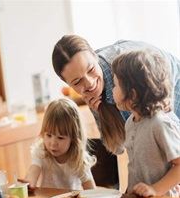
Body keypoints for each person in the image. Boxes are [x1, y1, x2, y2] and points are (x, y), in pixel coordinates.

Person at [52, 35, 180, 153]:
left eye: (91, 69)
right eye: (77, 81)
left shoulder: (126, 73)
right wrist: (98, 112)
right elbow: (118, 148)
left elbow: (158, 140)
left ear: (94, 56)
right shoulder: (94, 94)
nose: (89, 83)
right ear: (68, 84)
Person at [111, 50, 180, 198]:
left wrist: (155, 189)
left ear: (133, 94)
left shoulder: (159, 123)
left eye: (115, 84)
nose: (112, 90)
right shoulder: (130, 122)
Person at [24, 98, 96, 190]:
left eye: (60, 138)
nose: (53, 144)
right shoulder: (41, 151)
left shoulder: (79, 158)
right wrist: (29, 182)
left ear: (74, 138)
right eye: (49, 135)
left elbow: (91, 190)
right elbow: (33, 171)